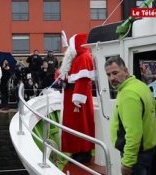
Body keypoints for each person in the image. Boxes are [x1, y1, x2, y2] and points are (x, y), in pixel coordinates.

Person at [104, 56, 156, 175]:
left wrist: (128, 162)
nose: (112, 78)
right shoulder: (140, 85)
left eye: (115, 73)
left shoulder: (128, 94)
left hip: (137, 157)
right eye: (108, 75)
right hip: (147, 150)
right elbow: (154, 106)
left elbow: (133, 134)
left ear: (126, 71)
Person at [59, 33, 95, 163]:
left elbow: (83, 80)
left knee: (81, 125)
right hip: (72, 97)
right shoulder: (77, 58)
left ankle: (83, 152)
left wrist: (78, 98)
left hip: (78, 100)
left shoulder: (83, 58)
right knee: (73, 125)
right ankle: (76, 150)